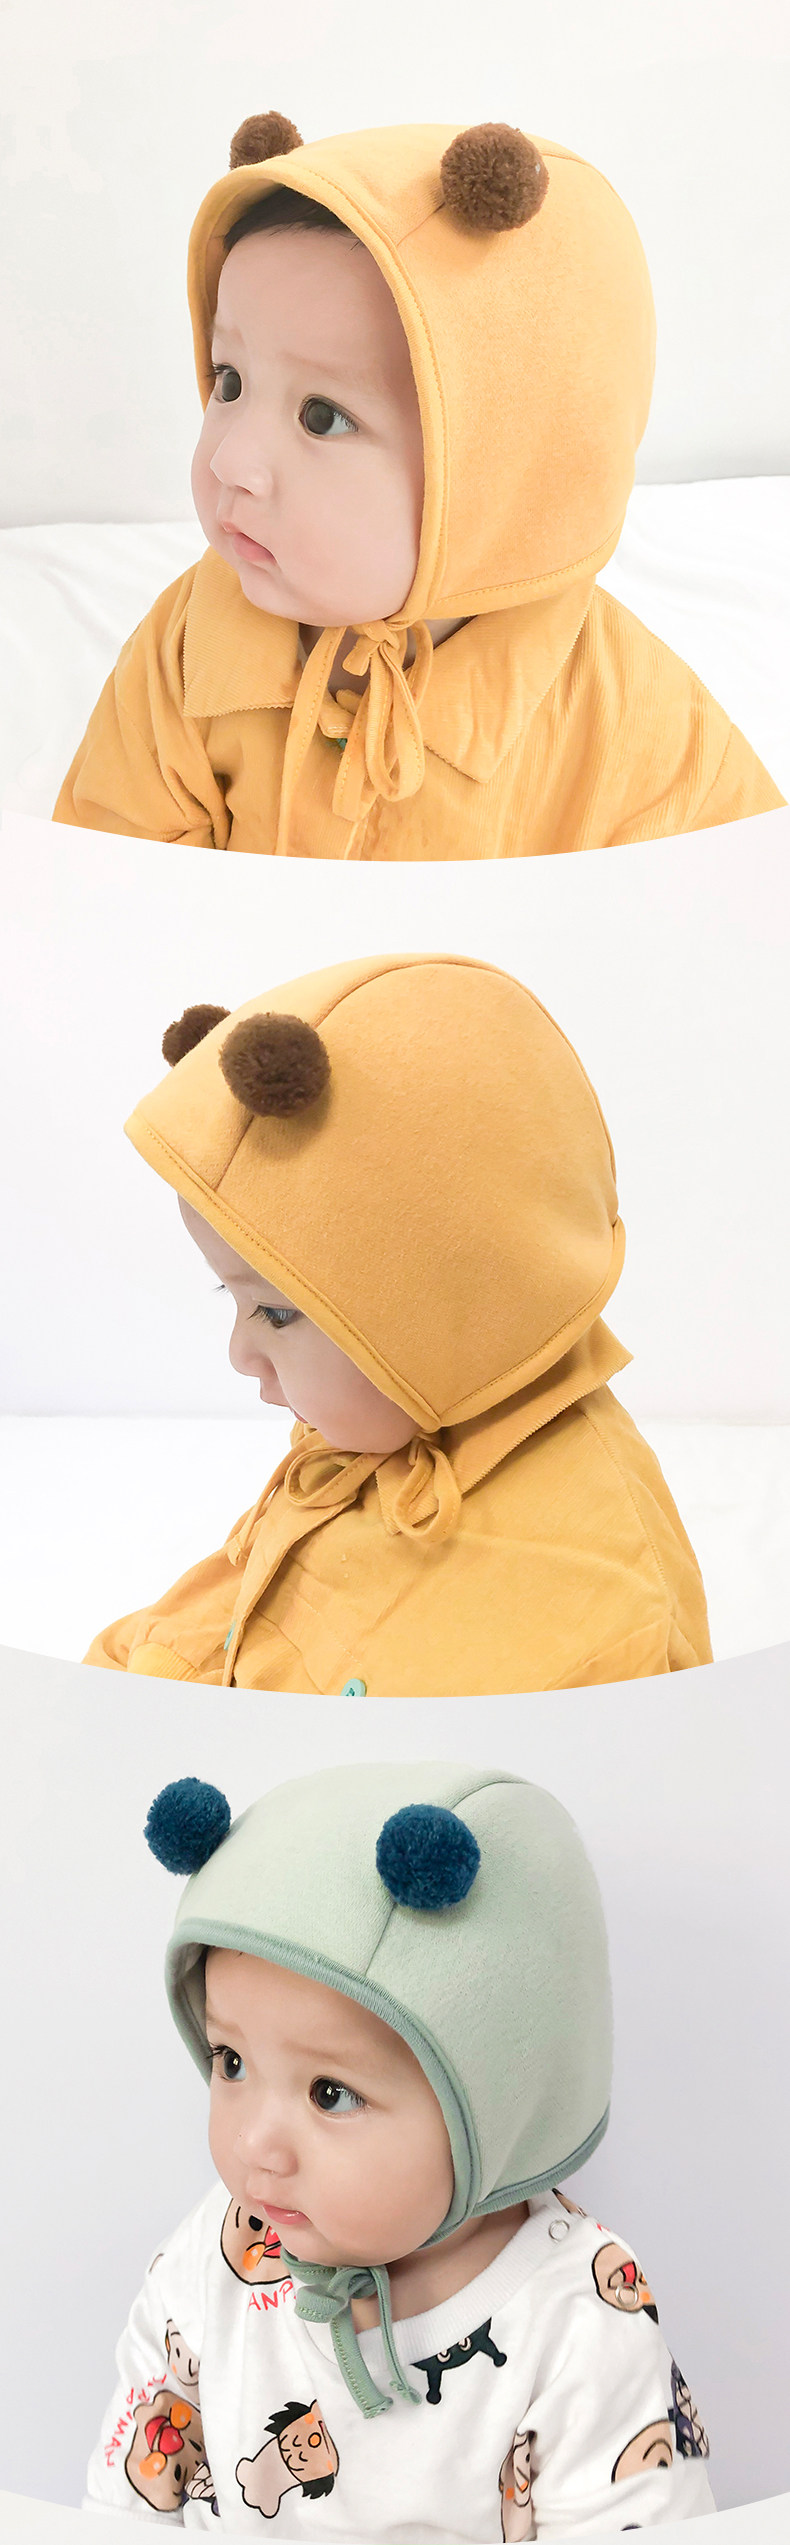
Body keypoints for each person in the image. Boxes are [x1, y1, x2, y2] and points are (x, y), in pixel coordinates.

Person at [53, 112, 783, 860]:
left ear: (508, 470)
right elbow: (110, 871)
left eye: (322, 417)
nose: (230, 460)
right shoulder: (188, 648)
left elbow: (736, 889)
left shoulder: (631, 722)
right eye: (230, 380)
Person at [85, 1760, 716, 2531]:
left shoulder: (579, 2321)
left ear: (494, 2100)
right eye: (232, 2061)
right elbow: (124, 2507)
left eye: (330, 2092)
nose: (255, 2144)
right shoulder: (222, 2251)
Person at [83, 952, 711, 1692]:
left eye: (277, 1311)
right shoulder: (389, 1431)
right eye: (234, 1296)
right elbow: (243, 1611)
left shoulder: (592, 1591)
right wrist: (152, 1679)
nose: (239, 1353)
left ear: (455, 1309)